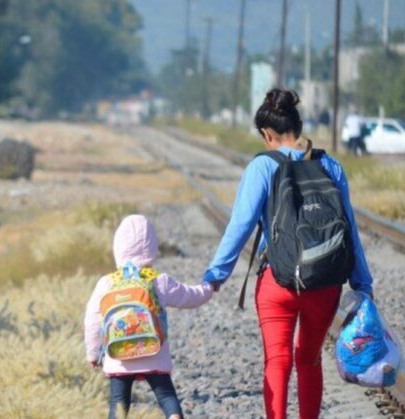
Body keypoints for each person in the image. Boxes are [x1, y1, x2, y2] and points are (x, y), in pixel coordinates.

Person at [203, 88, 374, 419]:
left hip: (278, 282)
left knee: (278, 361)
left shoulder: (262, 167)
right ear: (298, 126)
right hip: (324, 283)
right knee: (309, 359)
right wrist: (362, 284)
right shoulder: (330, 165)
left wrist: (215, 276)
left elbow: (240, 226)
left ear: (267, 134)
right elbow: (350, 229)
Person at [84, 215, 213, 419]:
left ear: (118, 248)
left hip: (119, 354)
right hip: (154, 351)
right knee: (166, 395)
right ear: (152, 247)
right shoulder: (159, 281)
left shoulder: (107, 283)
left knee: (118, 402)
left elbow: (92, 320)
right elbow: (190, 297)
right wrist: (209, 286)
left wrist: (93, 353)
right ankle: (174, 416)